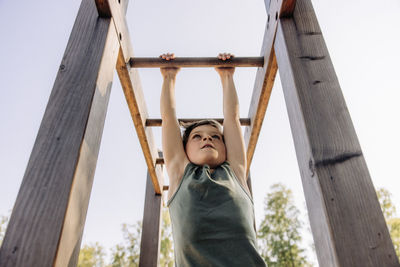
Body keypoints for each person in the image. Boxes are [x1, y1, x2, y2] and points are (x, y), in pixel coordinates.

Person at [160, 53, 266, 266]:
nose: (207, 137)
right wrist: (169, 77)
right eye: (197, 137)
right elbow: (169, 118)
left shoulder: (234, 172)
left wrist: (227, 76)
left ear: (226, 148)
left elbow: (232, 118)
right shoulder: (180, 173)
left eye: (215, 136)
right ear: (184, 150)